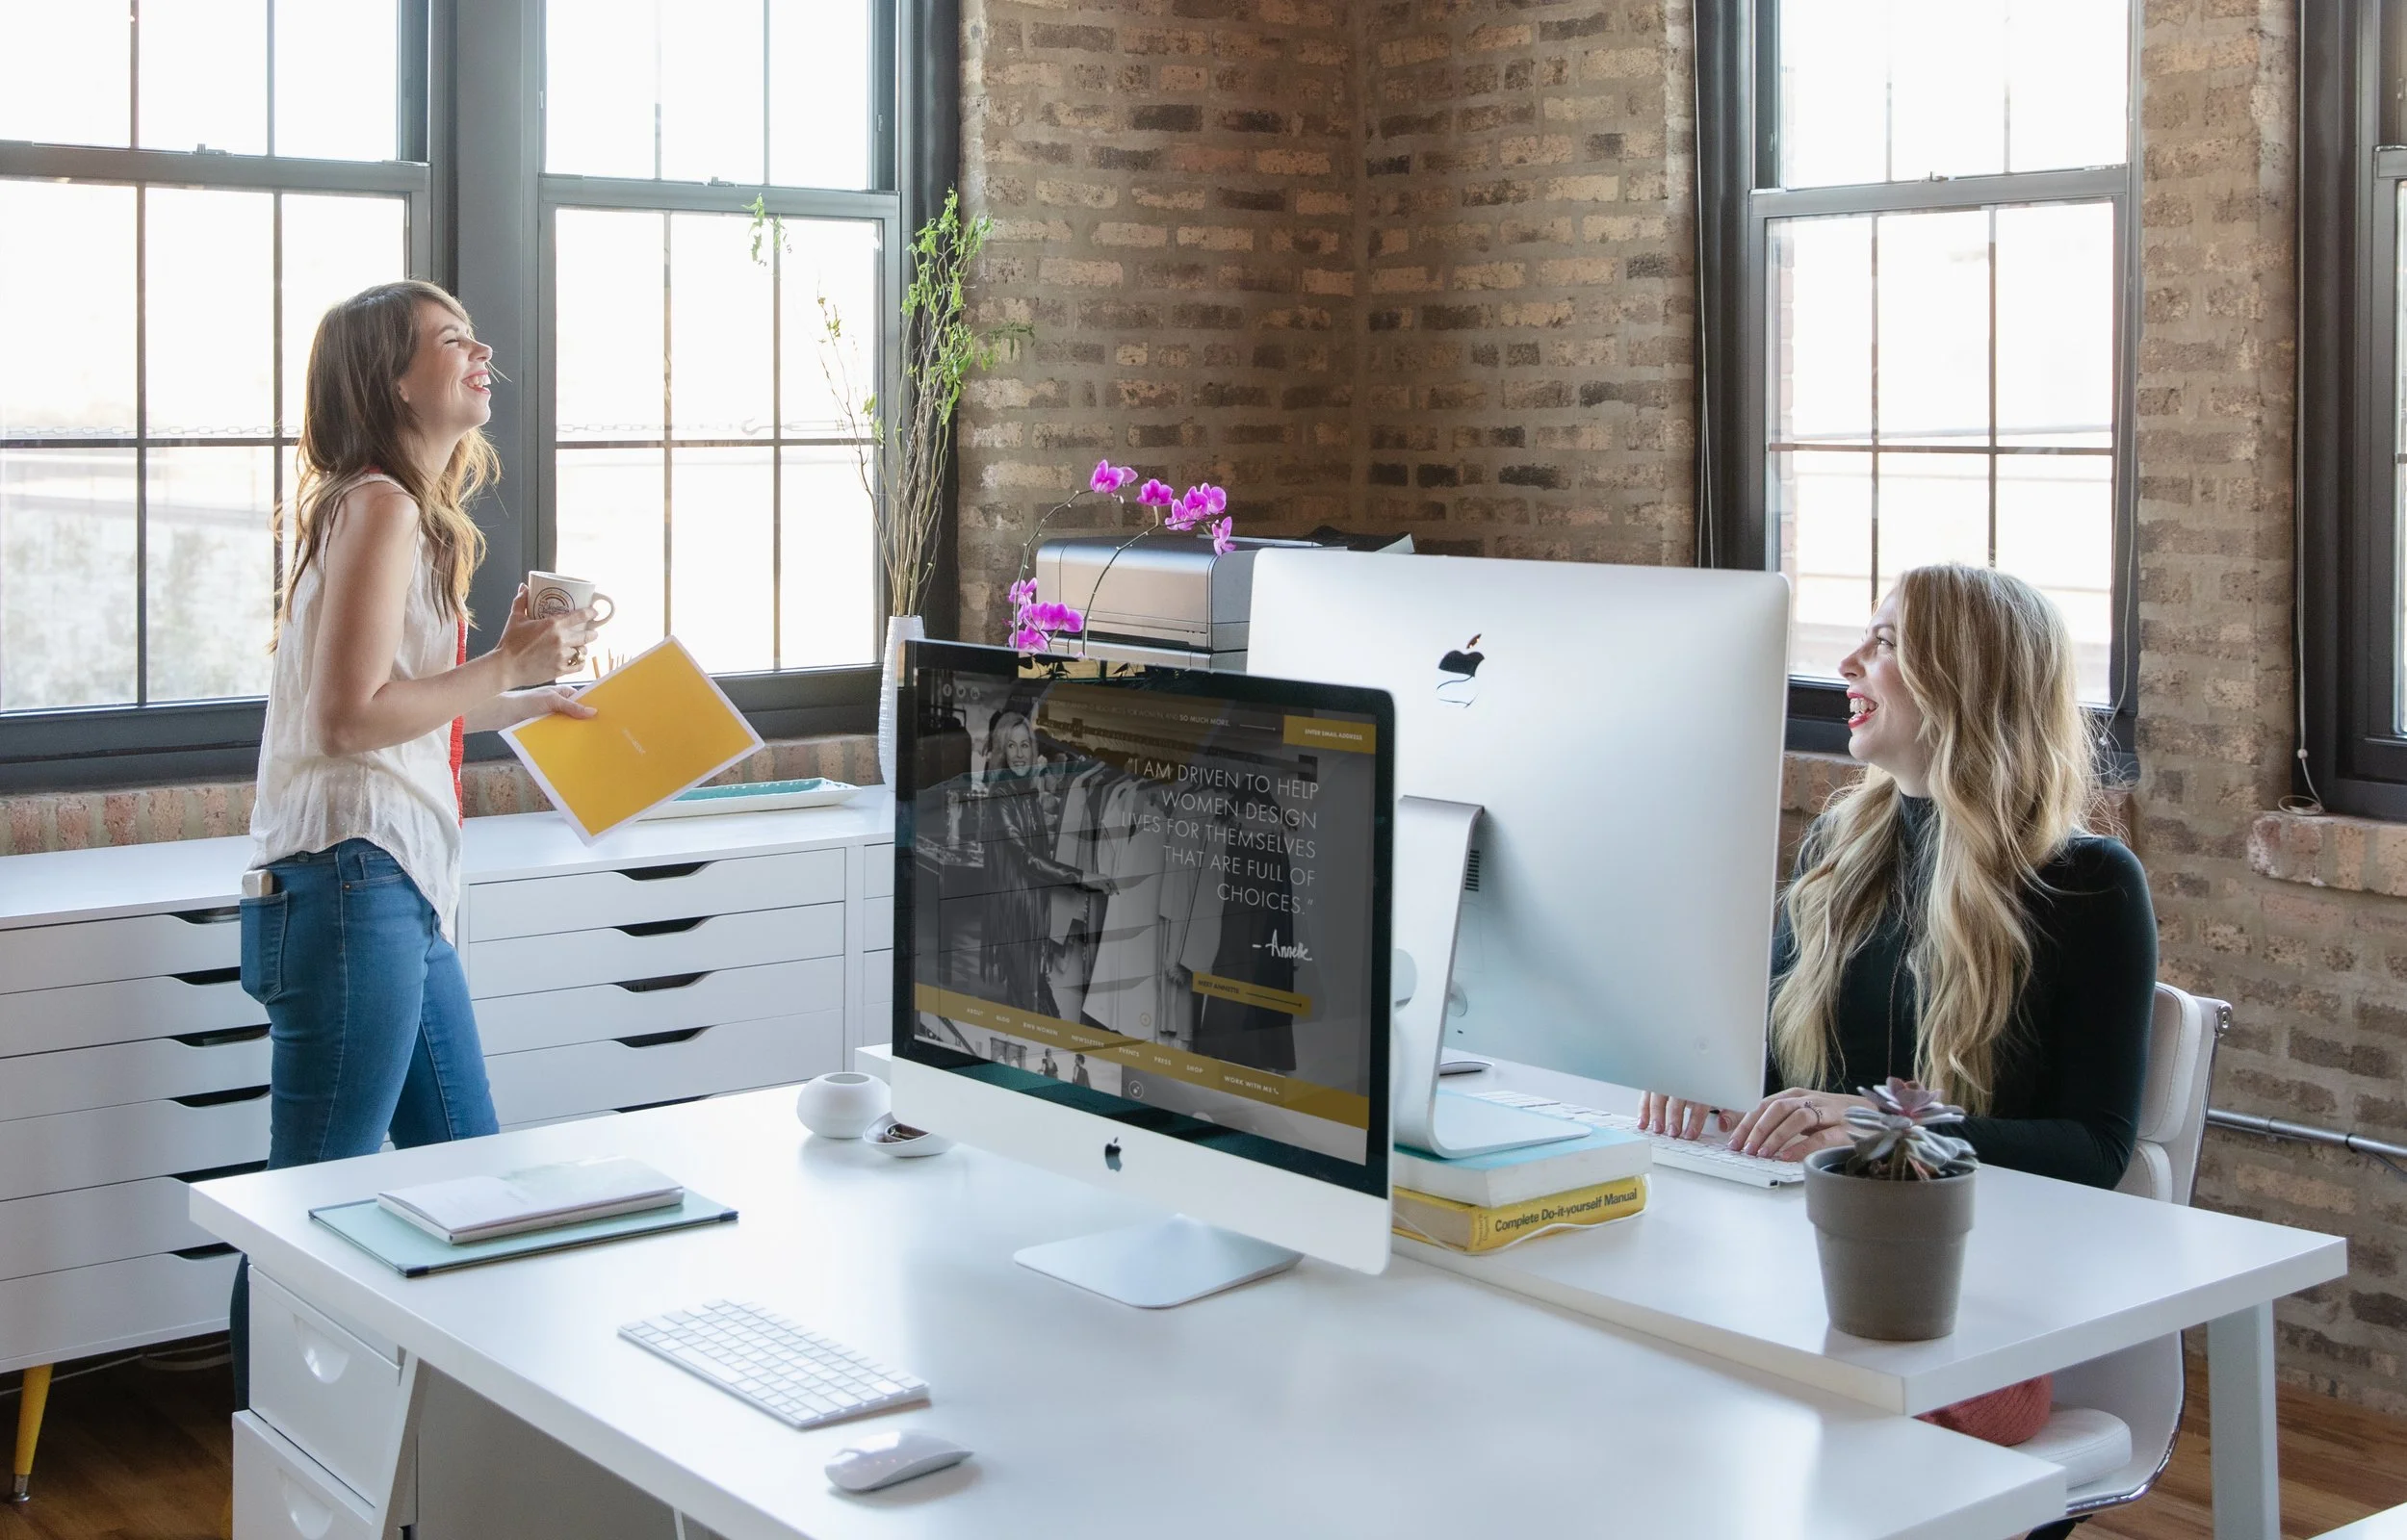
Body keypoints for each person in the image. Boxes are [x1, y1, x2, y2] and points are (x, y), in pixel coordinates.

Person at [1642, 564, 2155, 1469]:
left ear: (1964, 677)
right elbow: (1766, 1071)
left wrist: (1881, 1123)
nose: (1848, 663)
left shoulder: (2089, 883)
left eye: (1885, 644)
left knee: (1741, 1420)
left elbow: (2097, 1149)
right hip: (1795, 1274)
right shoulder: (1841, 852)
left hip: (1969, 1315)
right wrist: (1708, 1088)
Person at [230, 280, 603, 1405]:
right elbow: (349, 717)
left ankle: (469, 1445)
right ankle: (273, 1442)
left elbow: (395, 706)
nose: (482, 350)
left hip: (391, 889)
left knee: (472, 1174)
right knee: (313, 1198)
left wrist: (532, 696)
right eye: (451, 341)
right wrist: (503, 670)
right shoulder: (382, 505)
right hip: (355, 885)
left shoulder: (384, 508)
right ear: (394, 377)